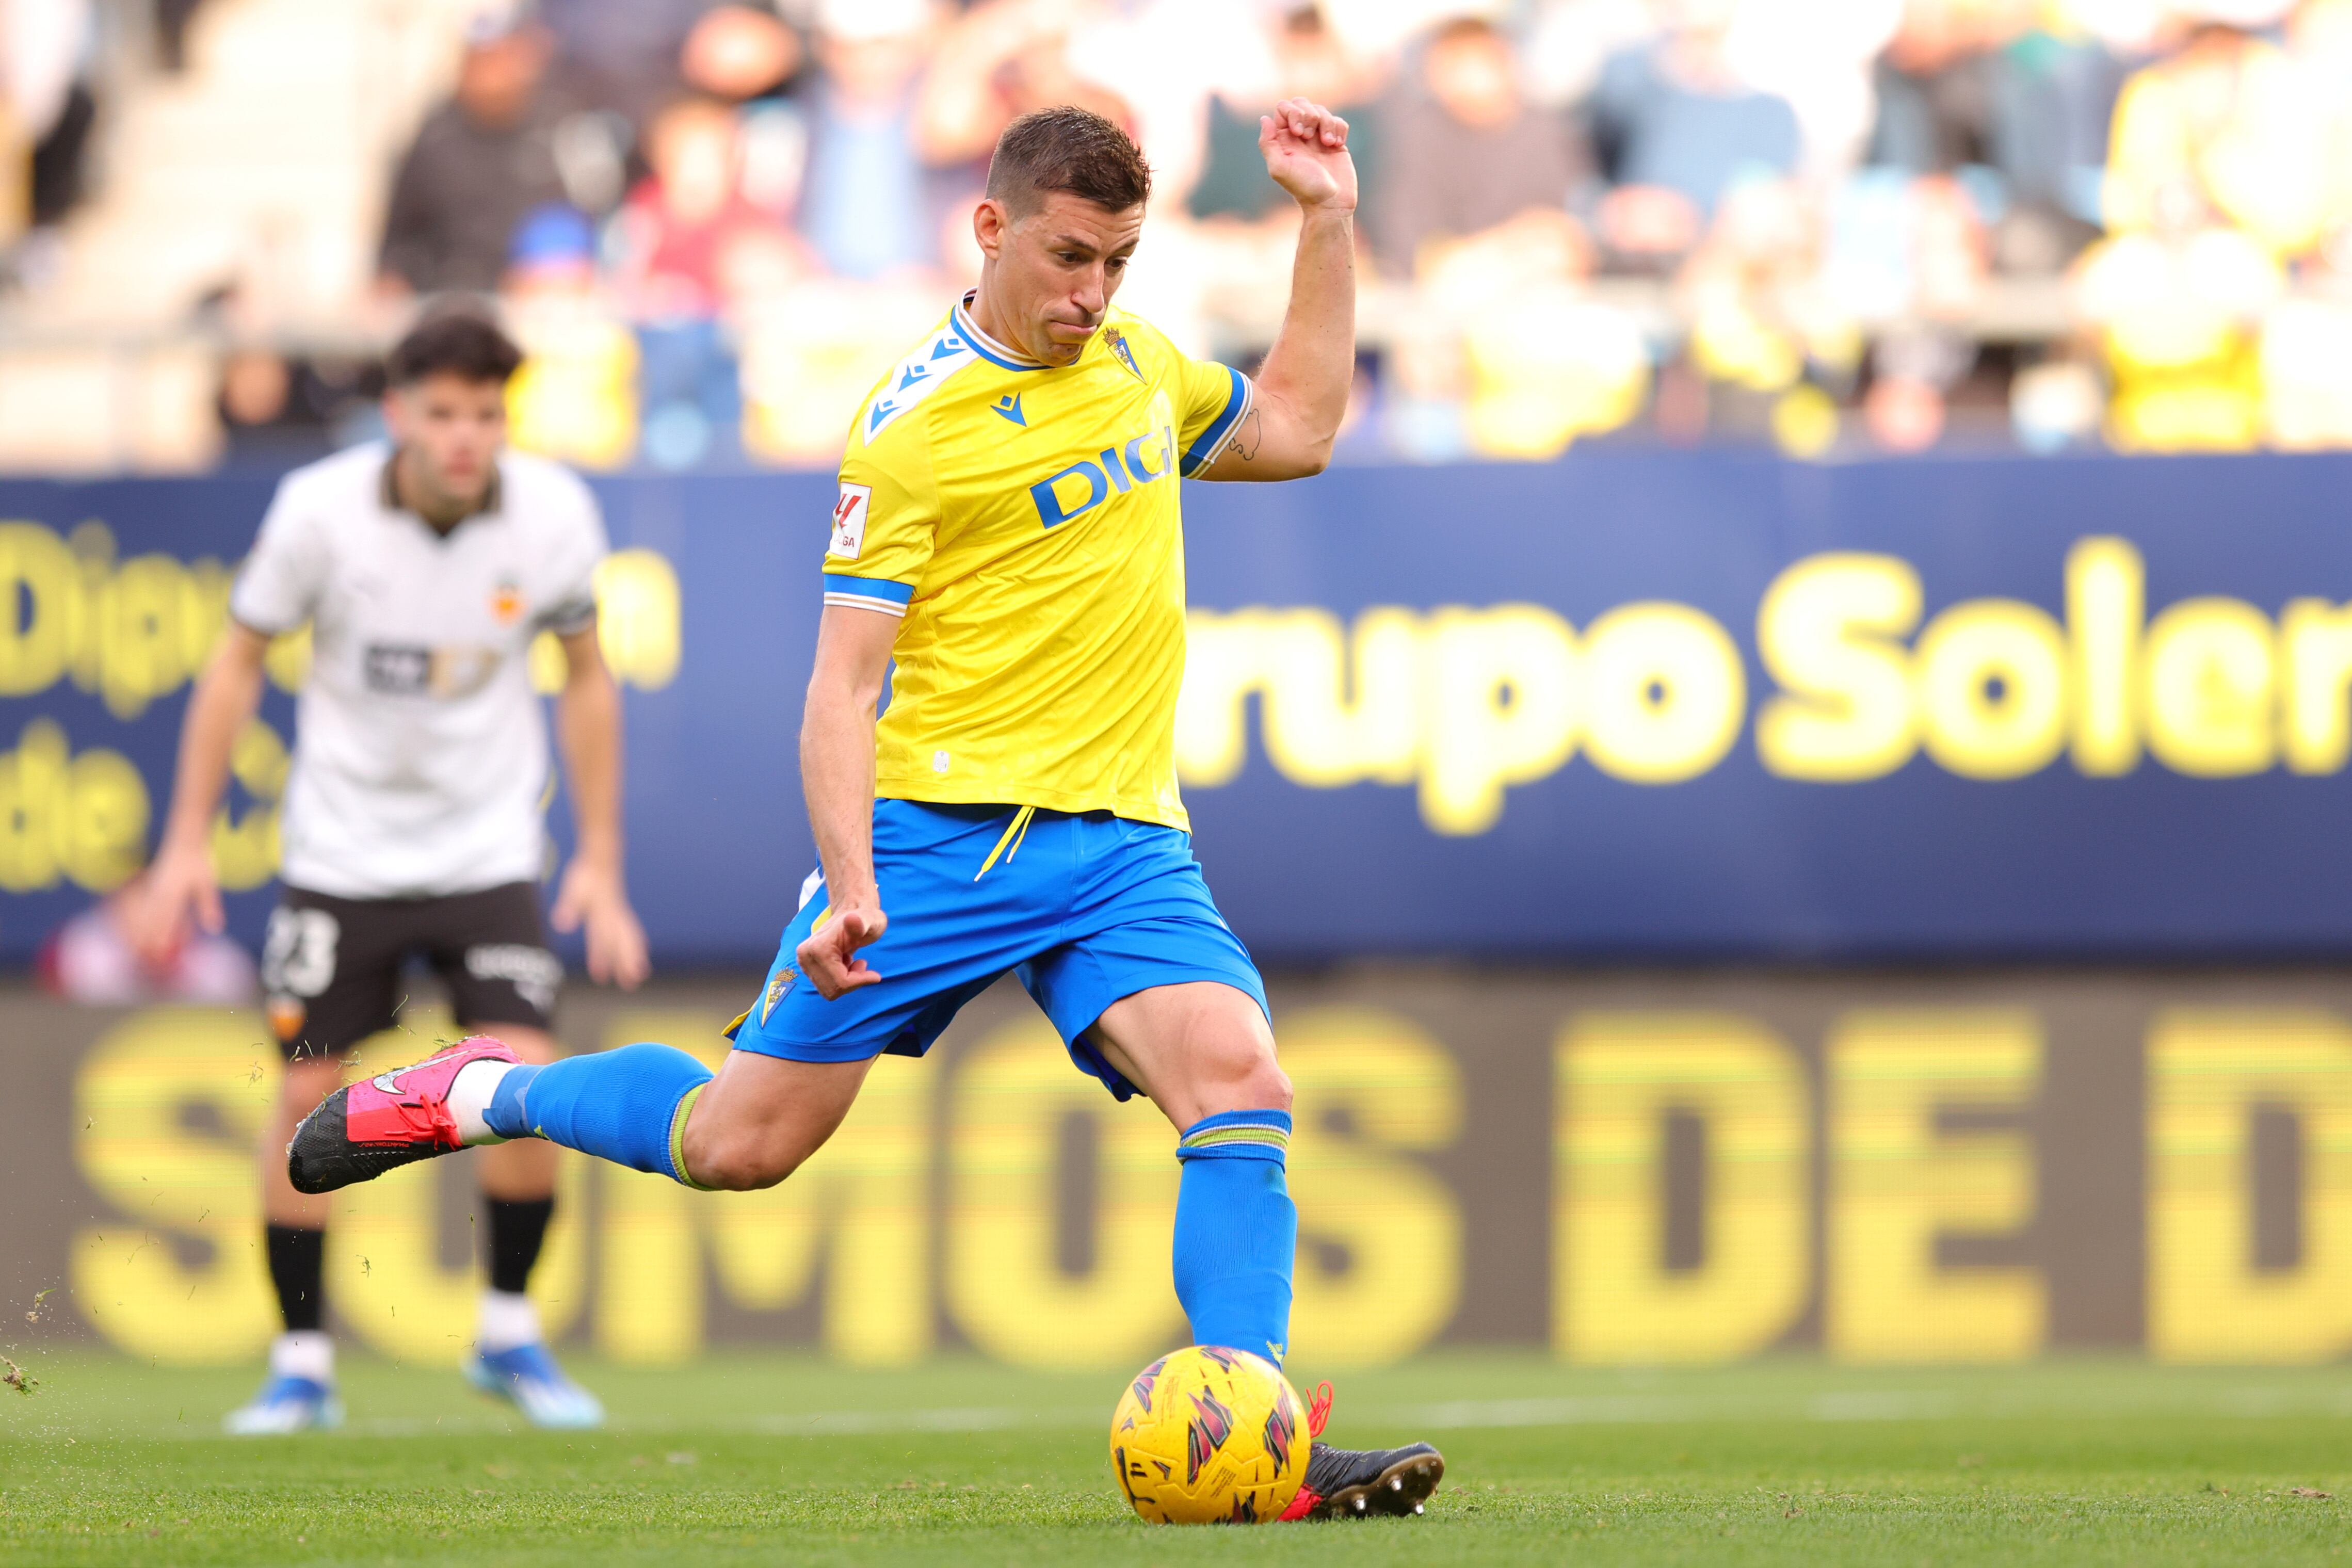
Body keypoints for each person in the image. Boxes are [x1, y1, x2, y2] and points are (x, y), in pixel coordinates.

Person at [285, 102, 1446, 1523]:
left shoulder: (1141, 364)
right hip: (932, 837)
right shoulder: (909, 431)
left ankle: (1243, 1423)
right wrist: (849, 880)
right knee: (738, 1143)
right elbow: (840, 691)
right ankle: (483, 1089)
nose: (1091, 295)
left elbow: (1299, 425)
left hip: (1121, 838)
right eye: (1069, 258)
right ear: (991, 228)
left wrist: (1325, 221)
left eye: (1118, 265)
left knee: (1238, 1079)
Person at [128, 311, 651, 1433]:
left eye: (484, 415)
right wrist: (184, 841)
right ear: (399, 413)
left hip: (488, 847)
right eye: (443, 412)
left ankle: (508, 1332)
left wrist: (600, 858)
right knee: (307, 1093)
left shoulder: (554, 512)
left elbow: (589, 680)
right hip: (341, 852)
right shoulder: (318, 510)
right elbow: (233, 665)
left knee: (528, 1080)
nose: (464, 437)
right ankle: (300, 1362)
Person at [377, 14, 571, 298]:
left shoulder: (556, 129)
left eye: (498, 60)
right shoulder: (434, 137)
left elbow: (587, 220)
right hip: (446, 296)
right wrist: (393, 279)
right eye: (480, 62)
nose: (490, 76)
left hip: (537, 302)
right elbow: (399, 237)